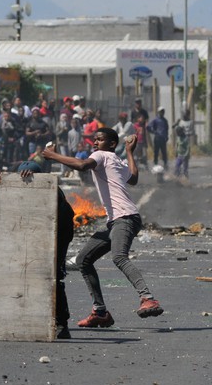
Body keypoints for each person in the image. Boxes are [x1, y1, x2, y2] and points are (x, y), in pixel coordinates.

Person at [43, 129, 164, 327]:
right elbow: (133, 177)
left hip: (124, 217)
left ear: (111, 144)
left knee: (119, 256)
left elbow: (82, 165)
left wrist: (53, 156)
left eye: (99, 139)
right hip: (118, 220)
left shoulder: (101, 156)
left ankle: (148, 297)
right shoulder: (116, 160)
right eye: (94, 139)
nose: (94, 142)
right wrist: (130, 152)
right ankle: (100, 311)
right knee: (84, 260)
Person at [16, 161, 74, 339]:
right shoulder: (20, 191)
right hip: (37, 236)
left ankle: (61, 322)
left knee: (54, 276)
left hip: (59, 236)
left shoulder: (52, 191)